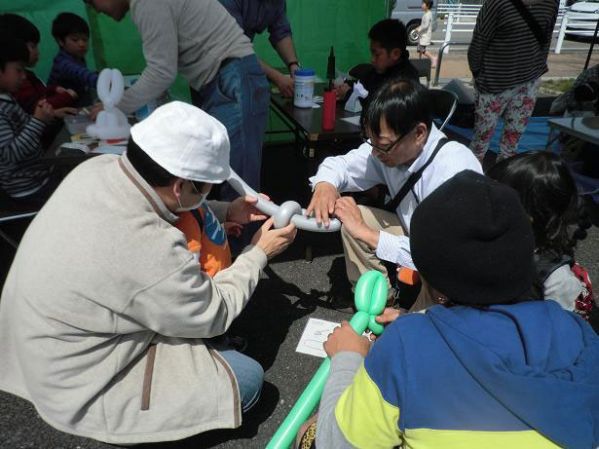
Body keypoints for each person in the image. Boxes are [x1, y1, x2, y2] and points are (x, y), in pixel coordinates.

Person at [0, 101, 296, 445]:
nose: (207, 195)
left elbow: (174, 210)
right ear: (181, 186)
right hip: (78, 381)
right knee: (246, 379)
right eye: (206, 189)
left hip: (34, 346)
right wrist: (258, 253)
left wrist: (224, 209)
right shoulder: (146, 244)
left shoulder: (97, 169)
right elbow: (213, 313)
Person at [315, 170, 599, 449]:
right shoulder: (579, 332)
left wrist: (347, 358)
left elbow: (335, 444)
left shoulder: (405, 344)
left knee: (311, 431)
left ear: (436, 286)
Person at [307, 78, 481, 308]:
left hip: (451, 266)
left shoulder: (455, 171)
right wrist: (325, 185)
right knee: (351, 215)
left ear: (419, 133)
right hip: (417, 237)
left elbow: (445, 257)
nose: (376, 153)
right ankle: (376, 305)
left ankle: (414, 327)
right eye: (372, 143)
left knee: (420, 325)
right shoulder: (387, 149)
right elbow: (342, 165)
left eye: (384, 145)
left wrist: (368, 234)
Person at [84, 0, 269, 201]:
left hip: (232, 80)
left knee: (237, 188)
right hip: (228, 80)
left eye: (92, 2)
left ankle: (248, 233)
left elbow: (161, 72)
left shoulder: (147, 3)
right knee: (221, 178)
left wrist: (113, 106)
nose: (96, 9)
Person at [487, 151, 597, 327]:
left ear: (529, 216)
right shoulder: (498, 241)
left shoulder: (557, 281)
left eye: (494, 201)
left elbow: (557, 339)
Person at [468, 0, 559, 169]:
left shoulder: (551, 3)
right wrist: (479, 74)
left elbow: (545, 39)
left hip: (529, 81)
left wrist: (536, 68)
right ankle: (471, 179)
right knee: (480, 141)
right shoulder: (497, 3)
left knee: (511, 144)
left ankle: (503, 181)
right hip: (493, 83)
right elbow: (478, 43)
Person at [0, 37, 71, 205]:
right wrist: (38, 121)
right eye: (18, 70)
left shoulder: (7, 99)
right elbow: (10, 155)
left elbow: (26, 129)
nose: (24, 76)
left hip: (41, 175)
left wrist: (45, 117)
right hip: (29, 188)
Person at [219, 0, 300, 98]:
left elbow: (280, 31)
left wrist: (293, 65)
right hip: (210, 64)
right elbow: (235, 47)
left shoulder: (277, 2)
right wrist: (278, 78)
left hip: (236, 58)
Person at [0, 13, 77, 115]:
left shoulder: (26, 75)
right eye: (33, 46)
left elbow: (40, 93)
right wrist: (67, 96)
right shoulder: (15, 81)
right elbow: (34, 107)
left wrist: (53, 90)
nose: (38, 52)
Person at [335, 19, 419, 101]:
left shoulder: (406, 81)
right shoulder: (378, 71)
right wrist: (344, 86)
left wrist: (348, 94)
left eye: (377, 54)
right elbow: (363, 85)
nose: (372, 59)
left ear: (395, 54)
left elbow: (380, 104)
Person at [47, 12, 99, 105]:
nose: (82, 44)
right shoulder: (62, 62)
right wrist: (102, 81)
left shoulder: (78, 57)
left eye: (85, 39)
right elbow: (80, 73)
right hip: (60, 108)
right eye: (75, 40)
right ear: (60, 41)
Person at [416, 0, 437, 68]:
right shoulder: (427, 13)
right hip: (423, 34)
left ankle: (433, 58)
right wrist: (418, 28)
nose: (422, 5)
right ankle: (419, 61)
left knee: (422, 49)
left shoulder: (427, 15)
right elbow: (423, 24)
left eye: (423, 4)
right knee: (419, 48)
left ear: (427, 6)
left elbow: (425, 26)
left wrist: (418, 29)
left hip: (425, 35)